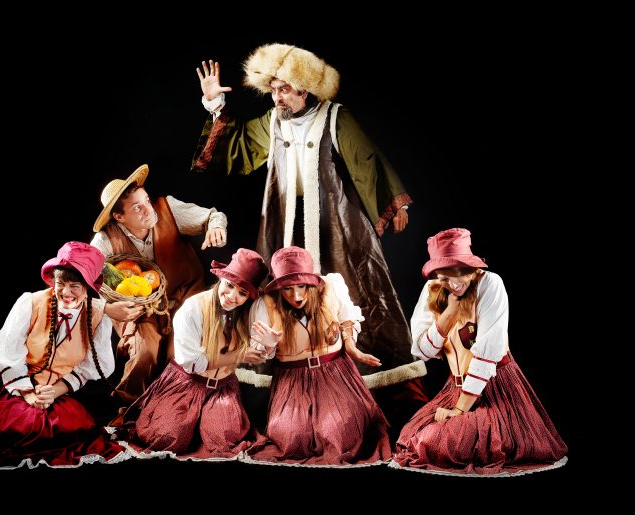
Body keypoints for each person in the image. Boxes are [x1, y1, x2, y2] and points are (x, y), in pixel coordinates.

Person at [192, 45, 426, 414]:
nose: (277, 97)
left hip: (335, 223)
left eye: (284, 89)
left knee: (348, 290)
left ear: (305, 89)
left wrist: (394, 202)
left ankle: (357, 380)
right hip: (285, 222)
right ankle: (293, 382)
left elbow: (366, 159)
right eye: (273, 89)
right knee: (280, 294)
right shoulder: (274, 120)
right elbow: (240, 149)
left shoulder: (335, 117)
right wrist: (215, 106)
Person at [0, 242, 126, 469]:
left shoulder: (98, 314)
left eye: (75, 286)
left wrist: (55, 391)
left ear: (88, 286)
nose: (66, 292)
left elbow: (92, 366)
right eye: (60, 283)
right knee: (23, 427)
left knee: (76, 424)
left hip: (54, 391)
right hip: (19, 387)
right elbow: (7, 351)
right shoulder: (31, 302)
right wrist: (28, 392)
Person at [391, 228, 568, 476]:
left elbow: (486, 356)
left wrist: (459, 411)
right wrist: (449, 314)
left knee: (440, 444)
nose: (454, 284)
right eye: (444, 277)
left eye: (460, 273)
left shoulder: (490, 283)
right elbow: (423, 351)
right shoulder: (432, 289)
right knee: (412, 438)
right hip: (454, 389)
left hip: (494, 389)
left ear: (471, 267)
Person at [91, 163, 228, 406]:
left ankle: (177, 408)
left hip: (185, 298)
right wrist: (108, 309)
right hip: (141, 311)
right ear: (119, 217)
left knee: (180, 355)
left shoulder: (168, 209)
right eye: (137, 207)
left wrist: (215, 227)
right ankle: (130, 410)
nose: (148, 209)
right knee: (145, 354)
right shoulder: (105, 240)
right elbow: (83, 276)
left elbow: (213, 215)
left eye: (146, 200)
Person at [243, 246, 392, 466]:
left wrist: (351, 347)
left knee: (339, 432)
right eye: (287, 289)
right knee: (292, 436)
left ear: (310, 281)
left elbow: (346, 317)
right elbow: (260, 354)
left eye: (301, 286)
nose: (296, 296)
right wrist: (268, 345)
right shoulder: (265, 304)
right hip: (292, 381)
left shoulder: (330, 286)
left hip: (335, 374)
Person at [115, 248, 269, 460]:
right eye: (230, 285)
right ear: (221, 279)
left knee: (224, 439)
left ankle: (210, 422)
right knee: (166, 438)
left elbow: (262, 351)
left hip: (222, 389)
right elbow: (192, 363)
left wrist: (268, 344)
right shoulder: (193, 308)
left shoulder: (251, 311)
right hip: (186, 383)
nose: (232, 296)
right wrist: (239, 356)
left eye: (242, 293)